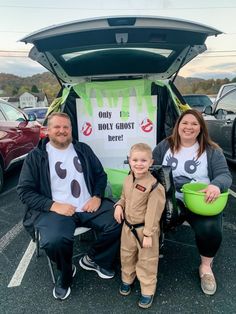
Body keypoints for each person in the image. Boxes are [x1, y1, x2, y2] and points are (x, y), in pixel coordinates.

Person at [17, 112, 121, 300]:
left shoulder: (83, 149)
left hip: (88, 205)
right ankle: (65, 273)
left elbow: (100, 175)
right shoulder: (36, 156)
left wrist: (97, 196)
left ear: (71, 130)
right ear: (47, 130)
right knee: (55, 240)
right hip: (56, 211)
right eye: (57, 127)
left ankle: (94, 259)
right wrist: (53, 205)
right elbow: (24, 191)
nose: (62, 131)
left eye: (66, 127)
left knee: (119, 220)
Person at [152, 109, 232, 296]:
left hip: (200, 202)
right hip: (170, 201)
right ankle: (150, 255)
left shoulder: (212, 151)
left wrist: (215, 185)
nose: (189, 127)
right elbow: (152, 167)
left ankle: (205, 268)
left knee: (210, 229)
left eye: (194, 124)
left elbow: (225, 175)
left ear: (201, 128)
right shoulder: (165, 145)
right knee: (147, 218)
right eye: (185, 123)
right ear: (178, 126)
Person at [114, 143, 166, 309]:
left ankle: (147, 290)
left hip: (145, 230)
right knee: (126, 255)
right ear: (129, 160)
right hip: (127, 227)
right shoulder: (129, 178)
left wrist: (149, 234)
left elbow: (154, 212)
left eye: (143, 160)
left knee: (147, 260)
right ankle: (127, 279)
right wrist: (119, 205)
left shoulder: (154, 186)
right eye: (135, 160)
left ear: (151, 162)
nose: (139, 163)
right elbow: (124, 197)